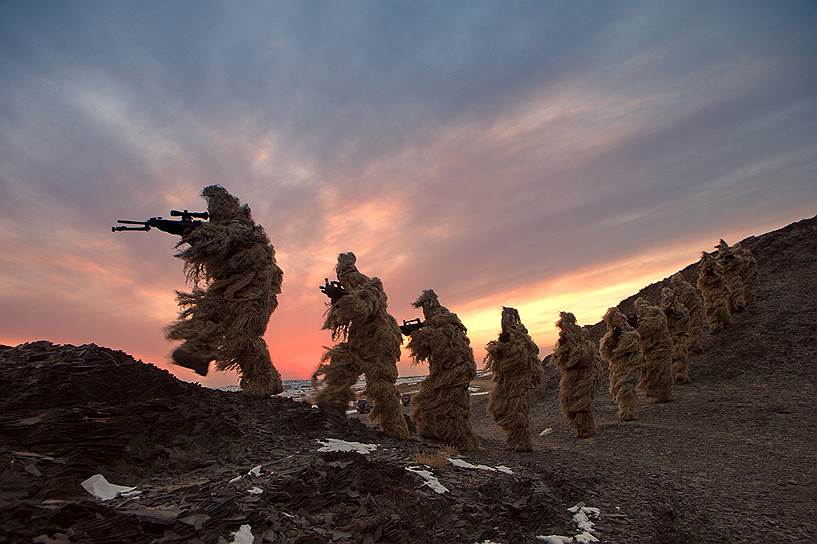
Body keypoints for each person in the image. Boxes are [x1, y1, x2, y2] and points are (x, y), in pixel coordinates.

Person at [166, 185, 284, 397]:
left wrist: (192, 232)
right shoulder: (227, 227)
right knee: (206, 313)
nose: (213, 213)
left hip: (257, 288)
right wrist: (190, 232)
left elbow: (224, 238)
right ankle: (199, 353)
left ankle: (265, 381)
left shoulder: (241, 225)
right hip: (229, 285)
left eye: (215, 207)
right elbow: (216, 243)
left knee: (243, 334)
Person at [312, 253, 409, 439]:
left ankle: (396, 431)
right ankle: (332, 414)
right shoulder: (355, 288)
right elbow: (346, 313)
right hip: (361, 342)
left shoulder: (369, 286)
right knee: (339, 368)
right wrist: (338, 299)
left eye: (343, 275)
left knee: (381, 386)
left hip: (379, 342)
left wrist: (344, 300)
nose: (342, 279)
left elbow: (362, 307)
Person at [404, 289, 479, 451]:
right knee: (433, 402)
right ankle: (442, 434)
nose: (425, 313)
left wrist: (417, 335)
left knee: (449, 406)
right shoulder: (448, 321)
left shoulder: (442, 324)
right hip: (453, 372)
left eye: (425, 309)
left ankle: (460, 442)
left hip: (454, 373)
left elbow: (437, 345)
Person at [484, 307, 542, 451]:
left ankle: (522, 443)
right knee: (502, 410)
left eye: (507, 318)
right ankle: (515, 441)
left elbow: (520, 358)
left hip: (520, 383)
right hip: (507, 382)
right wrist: (500, 346)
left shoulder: (522, 339)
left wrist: (506, 346)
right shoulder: (506, 338)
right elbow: (499, 358)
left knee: (517, 411)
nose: (504, 321)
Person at [553, 312, 599, 437]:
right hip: (570, 376)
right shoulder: (565, 342)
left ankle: (586, 429)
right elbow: (560, 358)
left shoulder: (583, 342)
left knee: (582, 403)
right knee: (569, 402)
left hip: (583, 375)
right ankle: (581, 428)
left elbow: (585, 356)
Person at [599, 307, 641, 421]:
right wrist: (613, 339)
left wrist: (620, 342)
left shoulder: (630, 332)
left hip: (630, 363)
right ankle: (626, 409)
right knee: (619, 388)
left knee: (626, 387)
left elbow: (633, 343)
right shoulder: (611, 336)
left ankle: (628, 412)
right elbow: (606, 352)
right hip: (617, 366)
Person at [635, 297, 673, 403]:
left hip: (661, 348)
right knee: (651, 371)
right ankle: (654, 392)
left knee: (662, 372)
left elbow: (650, 327)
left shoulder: (655, 315)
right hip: (650, 350)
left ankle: (663, 395)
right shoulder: (648, 316)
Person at [660, 287, 691, 384]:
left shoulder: (680, 307)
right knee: (671, 357)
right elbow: (659, 321)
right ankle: (674, 375)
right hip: (669, 336)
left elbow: (686, 316)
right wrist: (666, 312)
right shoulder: (661, 310)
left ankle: (681, 375)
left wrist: (675, 312)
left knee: (680, 355)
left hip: (680, 334)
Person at [697, 252, 732, 334]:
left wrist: (714, 274)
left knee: (720, 306)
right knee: (710, 309)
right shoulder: (703, 268)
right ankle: (714, 326)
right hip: (708, 293)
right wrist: (706, 277)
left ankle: (726, 322)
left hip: (718, 291)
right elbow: (700, 283)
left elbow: (721, 275)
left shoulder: (716, 266)